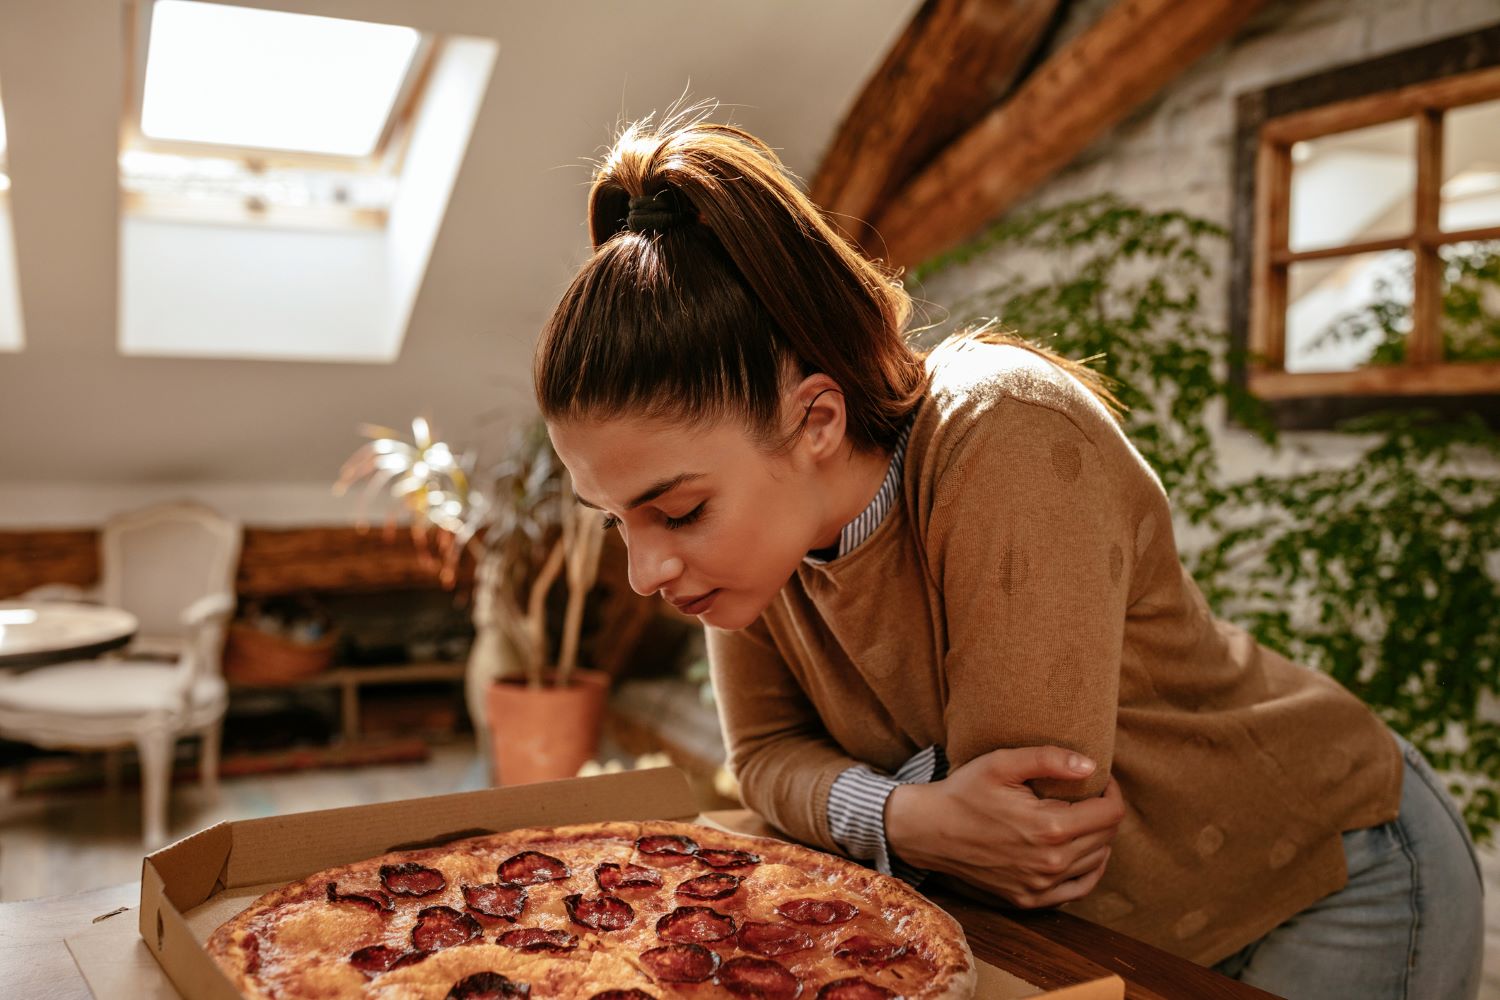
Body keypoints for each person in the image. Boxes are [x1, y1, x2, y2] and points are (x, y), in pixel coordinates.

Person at [532, 109, 1484, 999]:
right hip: (1117, 931)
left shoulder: (1003, 429)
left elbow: (1035, 841)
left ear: (816, 419)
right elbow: (765, 763)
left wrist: (850, 801)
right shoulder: (755, 557)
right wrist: (906, 816)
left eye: (680, 511)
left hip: (1328, 869)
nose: (645, 571)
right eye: (617, 519)